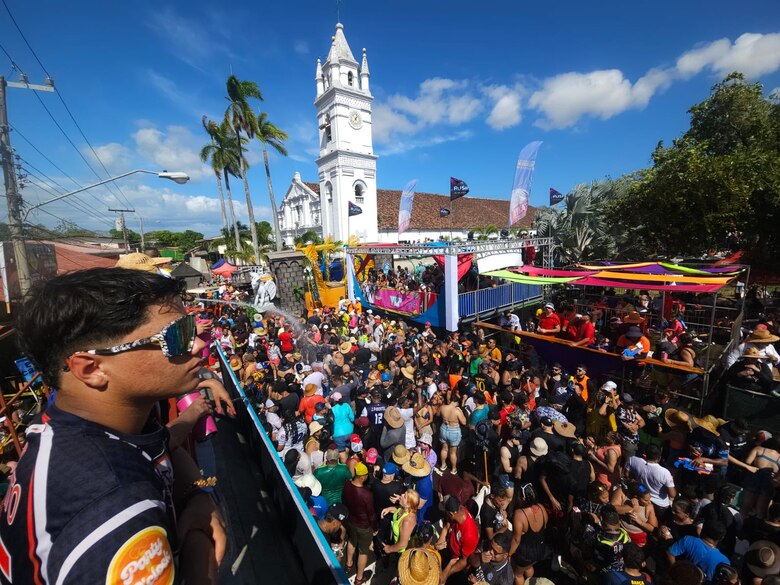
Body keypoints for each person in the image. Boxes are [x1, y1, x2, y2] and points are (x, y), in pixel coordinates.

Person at [1, 268, 227, 584]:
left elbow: (160, 443)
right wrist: (199, 544)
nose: (199, 345)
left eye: (191, 327)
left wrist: (197, 494)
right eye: (175, 336)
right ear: (91, 369)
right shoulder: (115, 504)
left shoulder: (74, 421)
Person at [508, 483, 550, 585]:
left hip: (524, 554)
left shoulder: (519, 514)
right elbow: (544, 526)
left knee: (518, 574)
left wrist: (509, 554)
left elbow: (516, 539)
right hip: (539, 550)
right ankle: (530, 582)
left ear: (523, 498)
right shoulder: (541, 508)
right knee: (529, 567)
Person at [342, 462, 377, 585]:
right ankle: (359, 578)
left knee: (351, 541)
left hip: (351, 521)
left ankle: (348, 564)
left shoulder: (347, 485)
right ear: (362, 477)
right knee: (363, 551)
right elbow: (371, 514)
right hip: (363, 526)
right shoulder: (366, 494)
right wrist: (375, 528)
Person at [438, 496, 480, 584]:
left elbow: (463, 561)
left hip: (457, 567)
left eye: (445, 512)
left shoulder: (469, 534)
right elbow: (448, 524)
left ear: (451, 514)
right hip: (450, 553)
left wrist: (447, 573)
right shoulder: (459, 510)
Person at [439, 398, 467, 474]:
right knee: (453, 452)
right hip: (453, 431)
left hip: (443, 428)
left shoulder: (443, 407)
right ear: (456, 402)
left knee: (444, 449)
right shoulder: (457, 410)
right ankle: (453, 469)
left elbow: (438, 414)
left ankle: (443, 465)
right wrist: (461, 411)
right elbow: (464, 422)